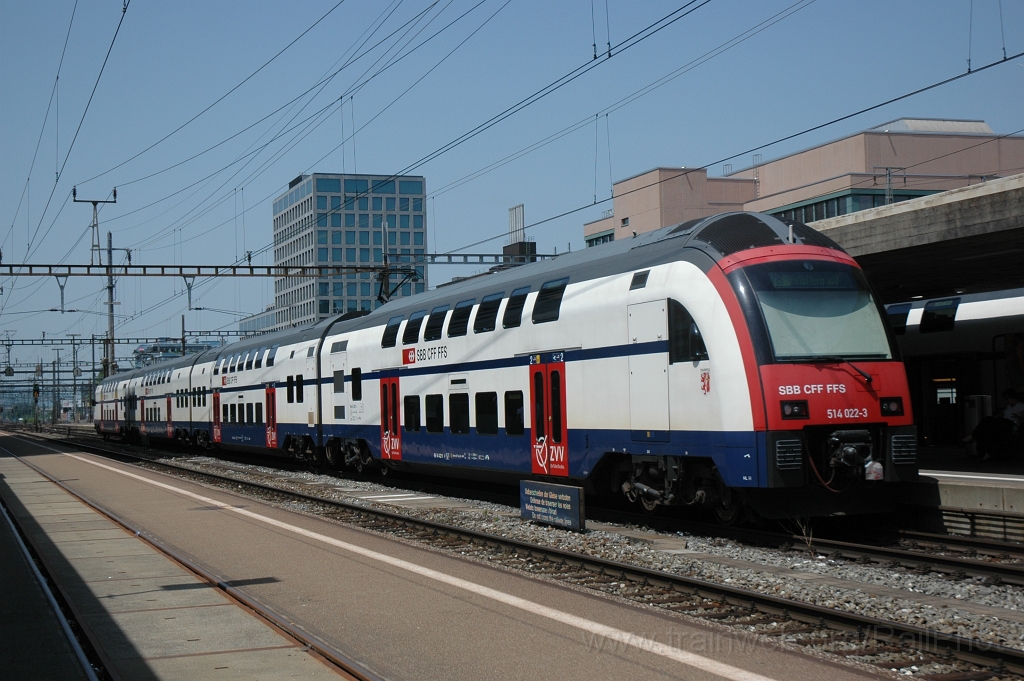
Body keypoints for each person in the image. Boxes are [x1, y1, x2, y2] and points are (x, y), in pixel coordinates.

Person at [963, 389, 1024, 460]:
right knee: (988, 420)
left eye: (1007, 399)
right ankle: (976, 439)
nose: (1007, 401)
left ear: (1013, 398)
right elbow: (998, 416)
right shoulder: (1008, 407)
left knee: (996, 426)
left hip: (1012, 423)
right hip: (1003, 422)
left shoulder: (1021, 406)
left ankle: (973, 437)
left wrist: (1017, 417)